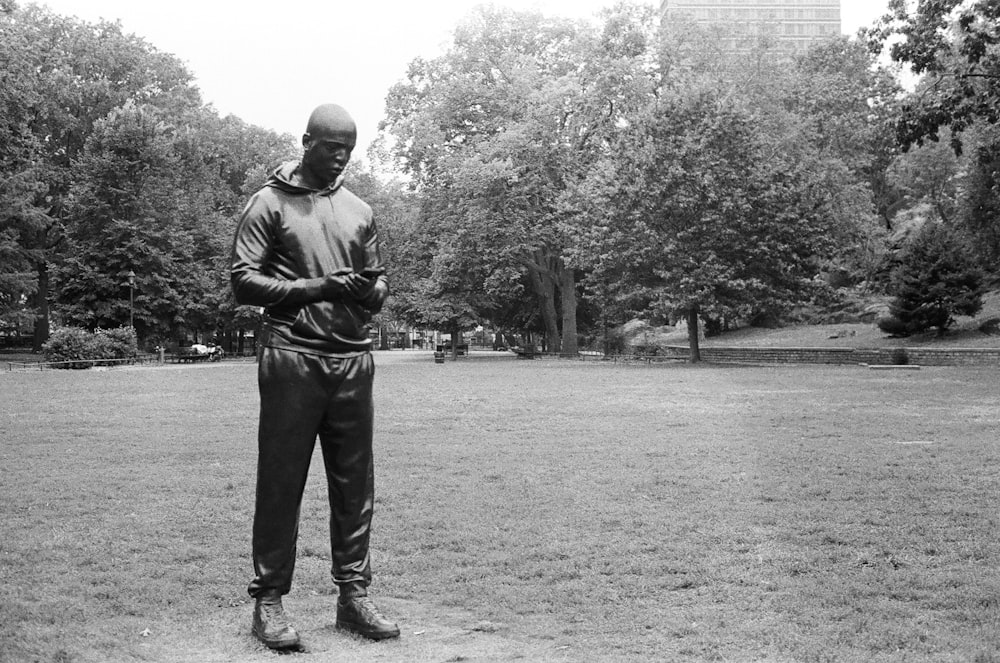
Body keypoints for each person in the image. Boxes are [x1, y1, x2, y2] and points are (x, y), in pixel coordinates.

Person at [230, 103, 397, 650]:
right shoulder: (269, 203)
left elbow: (375, 290)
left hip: (353, 359)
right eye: (331, 147)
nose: (341, 158)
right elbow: (243, 281)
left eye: (349, 148)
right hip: (292, 357)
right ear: (307, 142)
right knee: (282, 482)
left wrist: (371, 291)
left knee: (356, 484)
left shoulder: (360, 211)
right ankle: (269, 600)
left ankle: (353, 596)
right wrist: (317, 288)